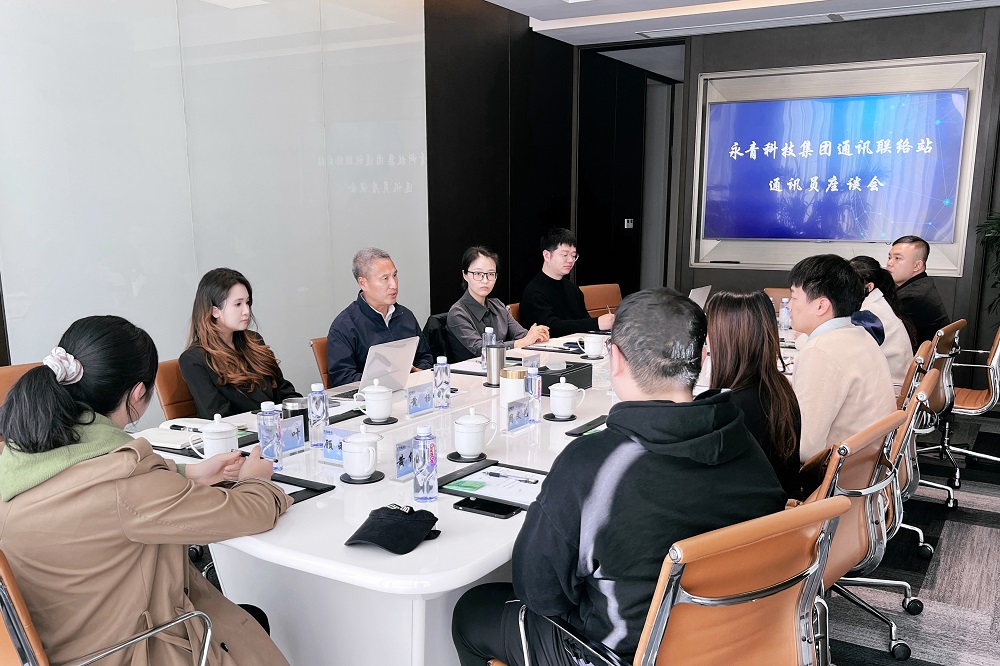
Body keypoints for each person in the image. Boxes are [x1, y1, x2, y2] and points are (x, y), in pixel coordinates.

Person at [451, 288, 785, 666]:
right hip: (735, 639)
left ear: (616, 359)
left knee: (472, 610)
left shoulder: (594, 466)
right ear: (702, 358)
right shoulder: (744, 442)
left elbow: (539, 593)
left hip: (619, 654)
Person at [0, 315, 292, 666]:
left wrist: (188, 472)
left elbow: (91, 480)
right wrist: (257, 480)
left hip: (67, 642)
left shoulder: (22, 454)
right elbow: (250, 513)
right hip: (130, 648)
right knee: (252, 629)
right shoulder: (126, 480)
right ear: (139, 393)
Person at [789, 255, 896, 463]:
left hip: (835, 472)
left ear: (821, 306)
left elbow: (804, 448)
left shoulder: (820, 351)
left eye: (794, 297)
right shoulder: (860, 335)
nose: (789, 306)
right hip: (868, 466)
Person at [705, 290, 802, 499]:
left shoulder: (732, 411)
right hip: (777, 508)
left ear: (722, 340)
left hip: (750, 516)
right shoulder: (779, 389)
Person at [180, 268, 300, 419]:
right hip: (244, 432)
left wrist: (300, 410)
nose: (246, 311)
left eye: (247, 302)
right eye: (238, 304)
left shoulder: (254, 341)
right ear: (214, 311)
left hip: (279, 426)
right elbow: (218, 416)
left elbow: (284, 391)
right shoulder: (194, 360)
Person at [327, 247, 433, 387]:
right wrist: (386, 381)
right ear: (363, 283)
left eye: (395, 275)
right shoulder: (344, 326)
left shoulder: (405, 315)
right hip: (371, 398)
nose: (394, 285)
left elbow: (424, 356)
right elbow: (341, 378)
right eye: (385, 278)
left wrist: (419, 371)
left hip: (411, 392)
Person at [447, 246, 550, 362]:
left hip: (504, 365)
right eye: (478, 273)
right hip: (472, 370)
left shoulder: (498, 305)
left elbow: (521, 334)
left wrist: (536, 335)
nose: (485, 280)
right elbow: (481, 349)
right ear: (465, 275)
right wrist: (521, 342)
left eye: (491, 274)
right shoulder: (457, 313)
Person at [519, 228, 615, 337]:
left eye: (573, 256)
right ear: (546, 255)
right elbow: (551, 328)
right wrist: (596, 323)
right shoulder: (534, 293)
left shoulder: (572, 288)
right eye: (565, 255)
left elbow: (584, 320)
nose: (570, 260)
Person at [850, 255, 917, 389]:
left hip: (889, 391)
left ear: (868, 287)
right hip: (895, 385)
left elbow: (847, 355)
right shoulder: (878, 303)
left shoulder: (867, 315)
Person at [886, 235, 950, 347]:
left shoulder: (912, 297)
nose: (889, 263)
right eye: (889, 257)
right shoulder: (923, 284)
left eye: (897, 258)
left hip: (916, 356)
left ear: (917, 265)